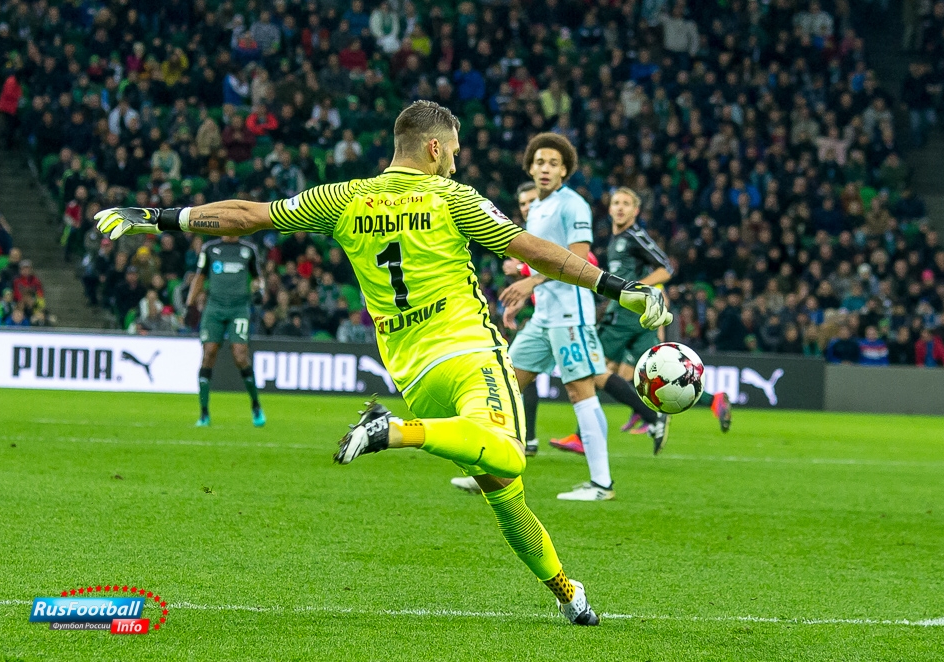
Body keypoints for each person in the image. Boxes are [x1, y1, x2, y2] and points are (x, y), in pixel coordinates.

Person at [95, 100, 671, 626]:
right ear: (435, 148)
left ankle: (568, 593)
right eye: (454, 153)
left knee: (505, 494)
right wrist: (619, 288)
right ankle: (392, 431)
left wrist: (158, 216)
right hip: (468, 352)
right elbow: (535, 251)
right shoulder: (453, 198)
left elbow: (247, 214)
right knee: (511, 454)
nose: (455, 163)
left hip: (413, 372)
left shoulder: (344, 198)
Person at [546, 187, 733, 456]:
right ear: (609, 209)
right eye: (616, 203)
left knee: (591, 368)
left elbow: (666, 268)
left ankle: (589, 434)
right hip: (636, 318)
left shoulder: (634, 236)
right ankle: (712, 401)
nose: (620, 208)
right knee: (647, 375)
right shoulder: (616, 240)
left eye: (626, 203)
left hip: (625, 316)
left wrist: (634, 289)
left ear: (636, 211)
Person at [491, 133, 621, 501]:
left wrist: (530, 282)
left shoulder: (572, 205)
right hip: (544, 316)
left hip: (570, 314)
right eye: (539, 162)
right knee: (504, 385)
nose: (545, 169)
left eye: (553, 163)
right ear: (530, 168)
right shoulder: (538, 208)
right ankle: (494, 470)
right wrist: (523, 296)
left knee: (580, 390)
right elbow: (541, 261)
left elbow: (579, 260)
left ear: (564, 170)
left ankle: (602, 485)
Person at [186, 235, 266, 427]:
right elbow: (200, 276)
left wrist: (258, 291)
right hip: (214, 308)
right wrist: (190, 304)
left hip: (239, 308)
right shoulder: (209, 248)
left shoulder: (248, 249)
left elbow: (258, 278)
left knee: (240, 355)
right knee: (208, 354)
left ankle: (256, 405)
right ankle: (204, 413)